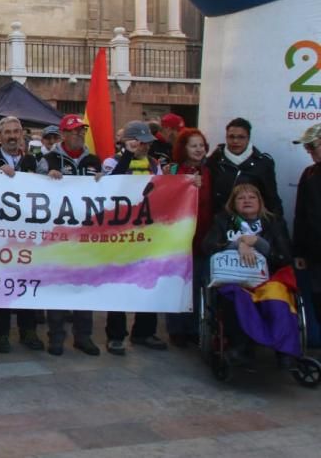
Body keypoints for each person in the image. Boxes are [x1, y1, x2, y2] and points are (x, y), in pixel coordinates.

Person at [203, 183, 294, 365]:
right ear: (233, 203)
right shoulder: (222, 221)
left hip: (267, 279)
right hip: (235, 279)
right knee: (236, 294)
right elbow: (207, 247)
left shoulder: (273, 222)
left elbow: (285, 257)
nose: (247, 201)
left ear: (260, 202)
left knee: (278, 295)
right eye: (241, 198)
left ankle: (284, 350)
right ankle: (241, 346)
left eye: (252, 197)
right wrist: (237, 244)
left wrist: (258, 243)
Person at [0, 117, 46, 353]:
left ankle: (29, 331)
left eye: (16, 131)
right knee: (2, 283)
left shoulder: (33, 160)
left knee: (26, 281)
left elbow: (46, 189)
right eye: (7, 132)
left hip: (27, 234)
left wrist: (55, 178)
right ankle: (2, 333)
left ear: (21, 134)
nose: (12, 136)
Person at [105, 121, 167, 355]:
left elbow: (162, 191)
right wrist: (127, 156)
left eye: (147, 142)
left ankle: (144, 331)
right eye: (140, 142)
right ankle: (116, 335)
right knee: (118, 284)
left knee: (148, 281)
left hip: (146, 232)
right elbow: (112, 184)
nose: (145, 147)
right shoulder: (112, 162)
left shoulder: (154, 164)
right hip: (120, 233)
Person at [43, 114, 102, 357]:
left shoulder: (94, 160)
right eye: (74, 130)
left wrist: (102, 182)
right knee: (57, 286)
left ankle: (83, 336)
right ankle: (56, 337)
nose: (79, 134)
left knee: (83, 286)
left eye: (82, 130)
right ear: (63, 134)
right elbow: (34, 189)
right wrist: (46, 180)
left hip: (86, 236)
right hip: (58, 236)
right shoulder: (48, 159)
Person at [165, 127, 213, 347]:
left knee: (197, 286)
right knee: (176, 285)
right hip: (177, 239)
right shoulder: (173, 170)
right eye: (193, 145)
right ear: (183, 148)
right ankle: (176, 329)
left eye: (201, 145)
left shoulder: (210, 171)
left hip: (202, 238)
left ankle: (194, 328)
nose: (198, 149)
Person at [208, 117, 283, 217]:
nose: (235, 141)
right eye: (231, 137)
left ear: (248, 138)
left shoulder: (263, 163)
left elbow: (272, 200)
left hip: (251, 223)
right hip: (220, 223)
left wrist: (277, 228)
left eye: (241, 137)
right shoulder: (214, 161)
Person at [293, 124, 321, 330]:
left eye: (312, 146)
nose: (309, 151)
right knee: (318, 301)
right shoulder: (309, 174)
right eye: (307, 147)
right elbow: (300, 215)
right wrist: (299, 252)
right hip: (315, 253)